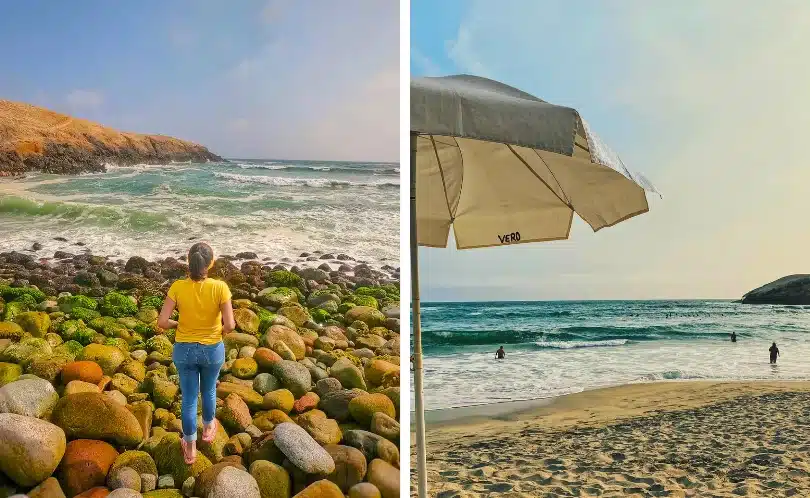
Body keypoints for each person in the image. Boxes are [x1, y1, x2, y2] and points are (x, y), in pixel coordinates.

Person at [158, 242, 235, 464]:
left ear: (188, 260)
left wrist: (178, 324)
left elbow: (162, 322)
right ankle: (209, 428)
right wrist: (217, 331)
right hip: (212, 349)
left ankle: (190, 448)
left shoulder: (177, 287)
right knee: (209, 390)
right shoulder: (220, 287)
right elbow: (229, 325)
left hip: (185, 349)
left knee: (189, 399)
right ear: (210, 263)